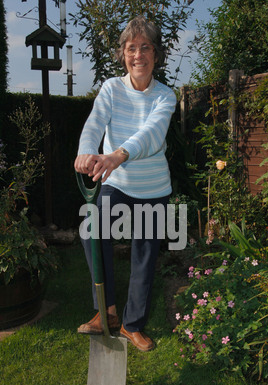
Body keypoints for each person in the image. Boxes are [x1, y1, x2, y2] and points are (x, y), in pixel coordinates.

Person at [74, 16, 177, 352]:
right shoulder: (111, 88)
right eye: (131, 48)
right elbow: (94, 122)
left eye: (145, 47)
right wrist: (86, 152)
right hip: (115, 183)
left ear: (155, 55)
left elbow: (150, 135)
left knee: (144, 256)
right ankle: (107, 312)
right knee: (91, 231)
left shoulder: (165, 96)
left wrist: (115, 155)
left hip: (153, 188)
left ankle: (133, 325)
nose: (138, 55)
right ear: (123, 54)